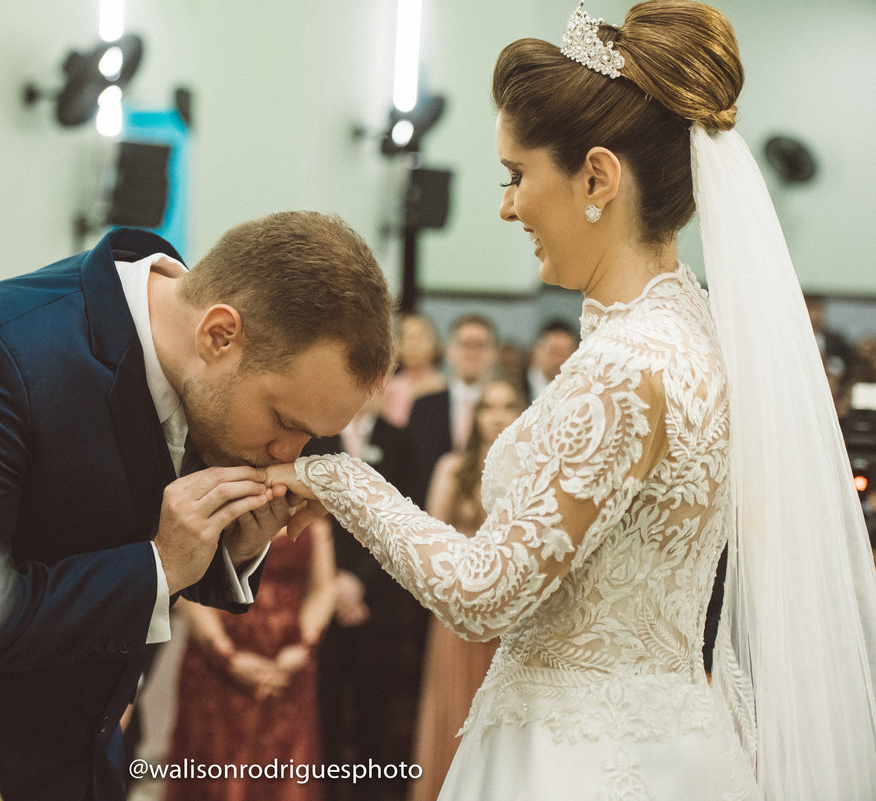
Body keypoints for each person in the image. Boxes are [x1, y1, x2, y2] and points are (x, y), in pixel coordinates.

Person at [267, 2, 876, 798]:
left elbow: (482, 591)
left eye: (517, 174)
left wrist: (334, 477)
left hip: (574, 757)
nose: (507, 206)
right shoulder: (694, 334)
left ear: (596, 176)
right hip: (674, 738)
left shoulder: (627, 365)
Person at [0, 211, 393, 801]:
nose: (286, 453)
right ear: (219, 334)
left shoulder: (204, 372)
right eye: (283, 422)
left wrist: (233, 543)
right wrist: (159, 565)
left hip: (95, 764)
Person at [409, 376, 525, 801]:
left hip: (515, 618)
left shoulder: (535, 472)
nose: (497, 416)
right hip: (459, 613)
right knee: (456, 710)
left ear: (522, 412)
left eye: (507, 405)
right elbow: (431, 540)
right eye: (488, 407)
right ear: (475, 416)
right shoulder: (452, 468)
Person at [163, 521, 335, 801]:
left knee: (284, 769)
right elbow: (184, 587)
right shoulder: (214, 507)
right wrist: (226, 656)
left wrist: (304, 646)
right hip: (215, 661)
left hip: (287, 665)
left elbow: (323, 589)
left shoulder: (313, 517)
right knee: (212, 768)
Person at [310, 392, 426, 801]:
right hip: (323, 596)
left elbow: (411, 519)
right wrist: (335, 581)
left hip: (381, 601)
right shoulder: (315, 439)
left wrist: (359, 582)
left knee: (374, 710)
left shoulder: (403, 441)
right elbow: (310, 515)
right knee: (323, 710)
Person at [405, 314, 498, 503]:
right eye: (464, 344)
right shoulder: (423, 406)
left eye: (480, 345)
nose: (472, 353)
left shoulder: (507, 409)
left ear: (494, 352)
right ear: (450, 351)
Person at [381, 312, 446, 428]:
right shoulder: (387, 387)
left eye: (419, 337)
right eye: (405, 338)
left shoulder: (443, 386)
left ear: (436, 344)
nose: (412, 345)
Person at [523, 318, 578, 402]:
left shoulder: (581, 388)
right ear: (537, 352)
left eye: (567, 354)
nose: (561, 361)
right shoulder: (518, 386)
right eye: (554, 353)